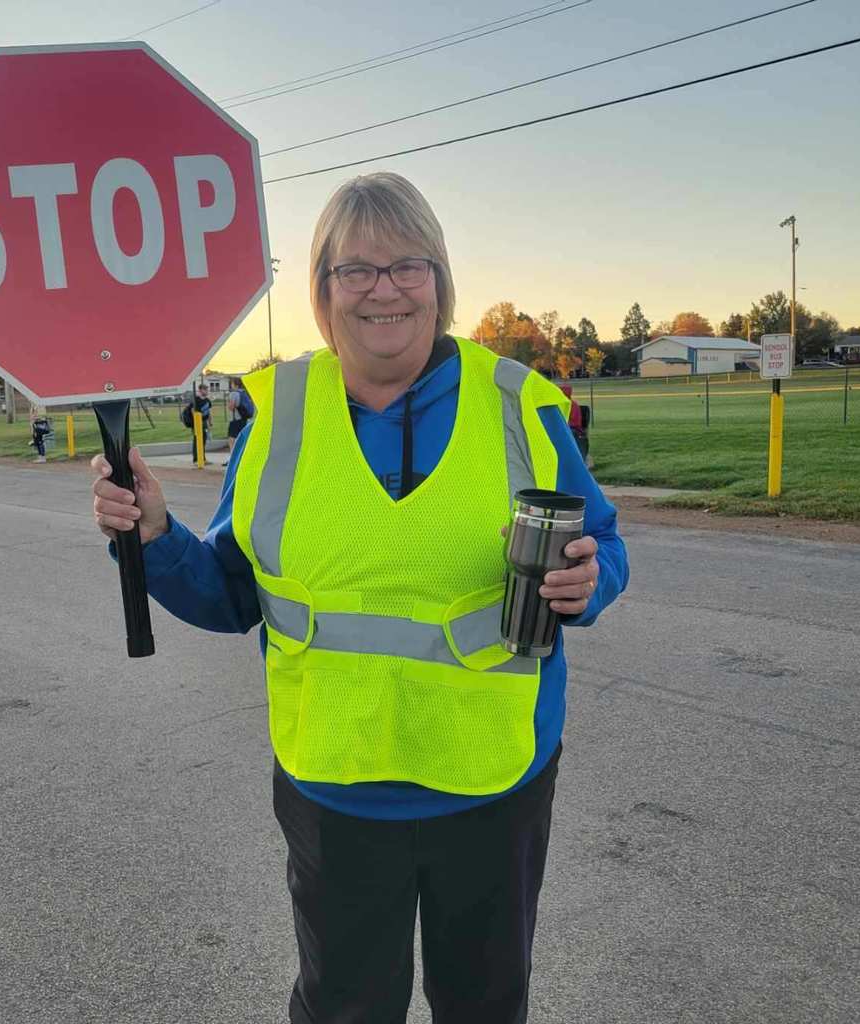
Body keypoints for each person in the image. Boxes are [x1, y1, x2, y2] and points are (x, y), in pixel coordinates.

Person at [91, 172, 628, 1024]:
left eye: (408, 265)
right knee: (344, 1008)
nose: (384, 289)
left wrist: (590, 581)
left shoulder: (521, 407)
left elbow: (606, 545)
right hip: (336, 793)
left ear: (440, 281)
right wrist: (156, 537)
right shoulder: (277, 418)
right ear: (323, 289)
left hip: (491, 785)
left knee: (486, 1005)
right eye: (357, 270)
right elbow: (236, 596)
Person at [180, 385, 211, 464]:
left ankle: (203, 458)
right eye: (205, 389)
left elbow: (208, 412)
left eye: (207, 389)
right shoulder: (196, 400)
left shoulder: (207, 400)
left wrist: (210, 422)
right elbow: (192, 410)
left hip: (204, 422)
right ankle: (196, 459)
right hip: (197, 423)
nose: (207, 391)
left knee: (203, 441)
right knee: (197, 440)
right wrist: (197, 421)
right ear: (200, 390)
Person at [226, 376, 253, 451]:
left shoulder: (233, 394)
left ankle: (232, 457)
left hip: (235, 419)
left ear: (235, 385)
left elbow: (231, 407)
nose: (231, 385)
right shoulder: (244, 393)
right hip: (244, 418)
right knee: (242, 437)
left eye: (232, 383)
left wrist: (228, 403)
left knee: (231, 438)